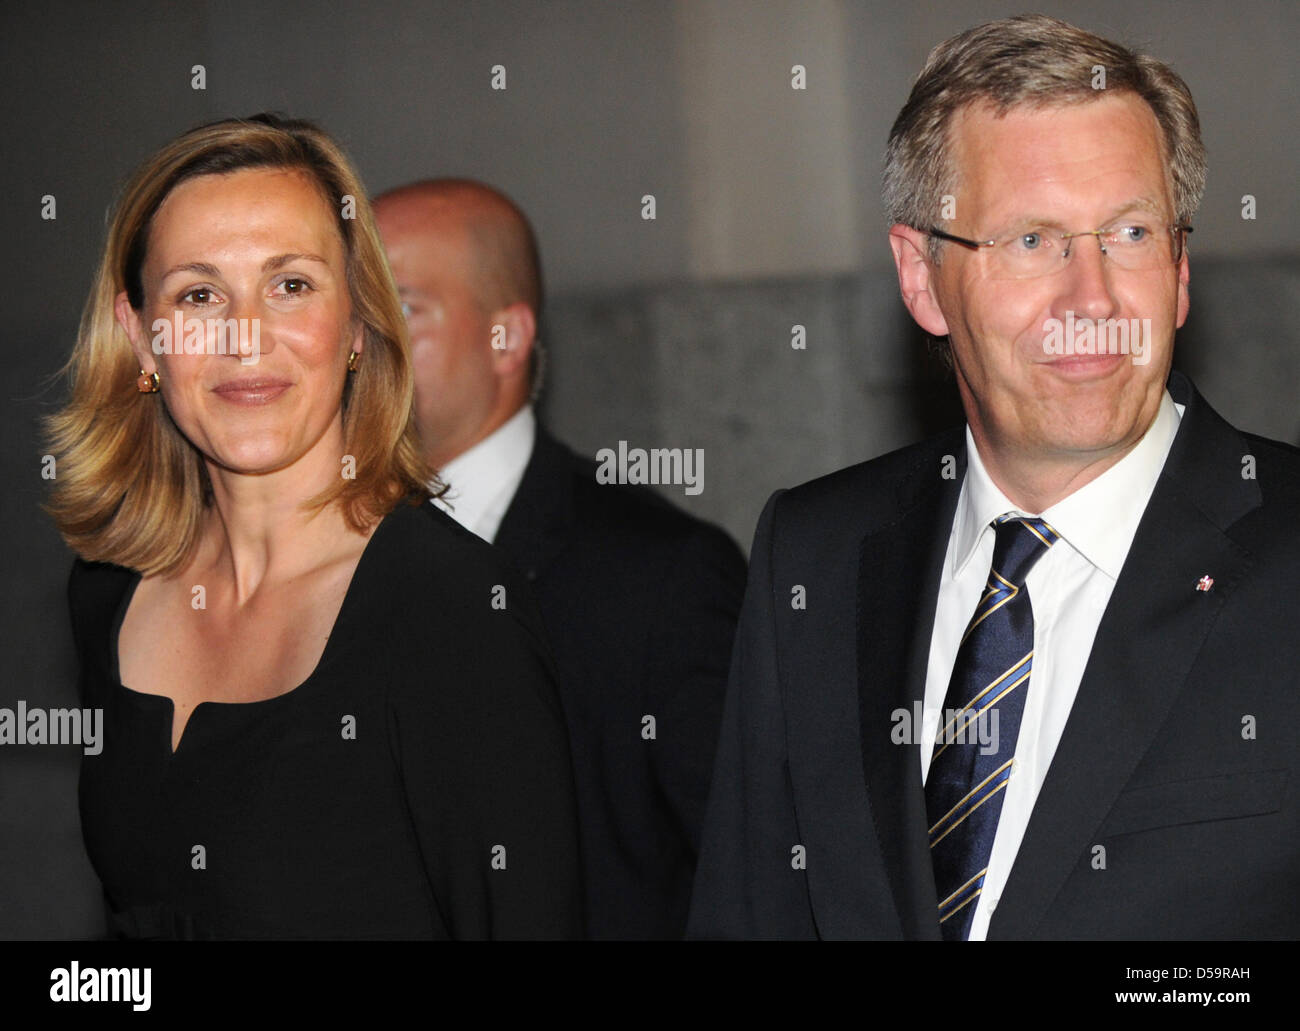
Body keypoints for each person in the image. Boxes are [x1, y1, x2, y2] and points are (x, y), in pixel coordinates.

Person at [688, 14, 1299, 940]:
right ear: (922, 278)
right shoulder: (816, 555)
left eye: (1129, 231)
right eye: (1030, 240)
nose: (1091, 299)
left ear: (1179, 267)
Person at [45, 114, 582, 939]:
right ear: (142, 339)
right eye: (198, 293)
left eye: (290, 284)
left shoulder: (447, 607)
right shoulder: (110, 593)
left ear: (359, 327)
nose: (245, 333)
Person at [373, 180, 747, 939]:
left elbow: (748, 878)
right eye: (352, 314)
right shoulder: (311, 551)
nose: (361, 346)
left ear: (506, 338)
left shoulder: (661, 574)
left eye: (402, 310)